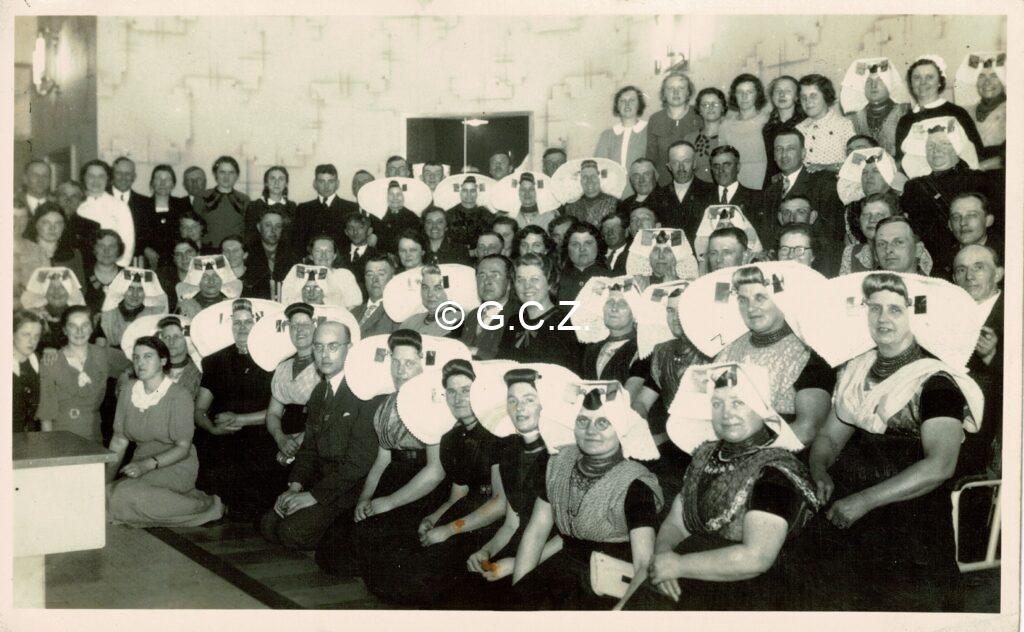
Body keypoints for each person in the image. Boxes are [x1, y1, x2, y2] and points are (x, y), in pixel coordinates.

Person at [807, 272, 982, 611]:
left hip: (910, 517)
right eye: (875, 308)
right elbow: (829, 436)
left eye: (895, 309)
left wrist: (863, 502)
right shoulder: (857, 369)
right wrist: (819, 468)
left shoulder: (936, 382)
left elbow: (940, 465)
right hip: (852, 503)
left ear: (915, 315)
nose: (882, 318)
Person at [625, 363, 819, 610]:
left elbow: (756, 558)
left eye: (738, 402)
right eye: (717, 404)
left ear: (762, 408)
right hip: (691, 574)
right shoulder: (705, 455)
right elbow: (676, 523)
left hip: (750, 594)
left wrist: (679, 565)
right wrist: (664, 555)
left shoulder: (776, 471)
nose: (726, 414)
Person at [512, 382, 663, 610]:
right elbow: (537, 530)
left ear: (621, 427)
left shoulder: (635, 484)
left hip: (607, 582)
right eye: (583, 421)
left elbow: (644, 564)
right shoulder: (557, 463)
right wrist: (519, 590)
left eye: (603, 423)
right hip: (561, 568)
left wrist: (621, 612)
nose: (591, 431)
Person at [383, 360, 505, 607]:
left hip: (492, 521)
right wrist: (433, 518)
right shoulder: (452, 438)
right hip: (465, 512)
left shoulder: (498, 433)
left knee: (422, 581)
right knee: (398, 565)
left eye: (466, 390)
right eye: (451, 391)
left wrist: (448, 529)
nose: (458, 399)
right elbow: (457, 495)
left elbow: (500, 503)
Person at [262, 320, 378, 551]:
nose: (324, 354)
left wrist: (313, 496)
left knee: (290, 532)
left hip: (348, 488)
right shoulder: (319, 392)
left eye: (333, 346)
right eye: (319, 346)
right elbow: (309, 449)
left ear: (349, 349)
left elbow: (359, 463)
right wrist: (295, 487)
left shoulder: (364, 392)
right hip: (320, 480)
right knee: (268, 525)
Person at [347, 330, 450, 585]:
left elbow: (436, 471)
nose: (401, 371)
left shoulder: (435, 403)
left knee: (383, 553)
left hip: (421, 485)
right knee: (336, 548)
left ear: (423, 362)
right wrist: (365, 498)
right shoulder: (386, 405)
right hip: (392, 477)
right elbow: (382, 461)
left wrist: (389, 502)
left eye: (409, 363)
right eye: (396, 362)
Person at [105, 336, 224, 527]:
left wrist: (147, 465)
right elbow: (119, 441)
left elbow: (183, 448)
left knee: (123, 497)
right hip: (139, 462)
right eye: (136, 357)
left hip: (176, 465)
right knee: (105, 496)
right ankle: (172, 501)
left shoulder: (179, 395)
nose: (140, 363)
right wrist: (105, 482)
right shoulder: (127, 390)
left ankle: (207, 506)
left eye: (147, 356)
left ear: (163, 361)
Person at [712, 264, 835, 445]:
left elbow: (807, 429)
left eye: (760, 298)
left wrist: (752, 455)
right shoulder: (728, 349)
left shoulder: (809, 354)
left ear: (782, 299)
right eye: (743, 300)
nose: (751, 308)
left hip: (780, 453)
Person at [194, 299, 280, 521]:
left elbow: (278, 412)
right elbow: (200, 409)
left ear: (257, 325)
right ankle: (217, 505)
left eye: (248, 322)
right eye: (237, 323)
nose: (242, 328)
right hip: (221, 434)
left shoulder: (274, 360)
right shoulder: (215, 361)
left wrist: (240, 419)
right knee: (209, 446)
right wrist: (211, 427)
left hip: (259, 431)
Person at [899, 118, 998, 277]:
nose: (936, 150)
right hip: (934, 266)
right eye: (930, 146)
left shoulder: (980, 181)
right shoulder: (914, 188)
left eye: (944, 144)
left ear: (957, 146)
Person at [38, 305, 131, 444]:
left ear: (92, 328)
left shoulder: (103, 354)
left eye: (85, 325)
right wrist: (50, 449)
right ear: (64, 330)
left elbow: (136, 364)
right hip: (60, 438)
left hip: (93, 436)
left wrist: (125, 376)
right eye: (72, 326)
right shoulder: (50, 361)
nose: (79, 331)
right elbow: (46, 415)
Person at [954, 245, 1003, 474]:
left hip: (992, 435)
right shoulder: (946, 314)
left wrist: (993, 357)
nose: (969, 277)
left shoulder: (1015, 311)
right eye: (961, 270)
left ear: (998, 274)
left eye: (979, 268)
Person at [760, 129, 844, 252]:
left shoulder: (823, 184)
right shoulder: (771, 191)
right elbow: (766, 235)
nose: (784, 155)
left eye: (790, 149)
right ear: (773, 155)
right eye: (779, 149)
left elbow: (832, 234)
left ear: (803, 153)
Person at [496, 253, 580, 372]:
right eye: (520, 280)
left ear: (550, 283)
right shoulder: (514, 321)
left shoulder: (563, 324)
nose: (527, 286)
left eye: (534, 279)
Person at [261, 303, 322, 468]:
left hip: (313, 441)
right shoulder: (283, 367)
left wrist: (295, 444)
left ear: (315, 326)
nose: (299, 330)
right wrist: (280, 438)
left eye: (305, 324)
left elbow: (324, 417)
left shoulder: (324, 366)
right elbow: (273, 413)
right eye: (294, 326)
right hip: (282, 438)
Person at [895, 56, 984, 163]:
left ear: (939, 82)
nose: (923, 82)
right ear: (911, 83)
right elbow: (901, 160)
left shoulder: (957, 113)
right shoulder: (905, 120)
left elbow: (977, 154)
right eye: (917, 77)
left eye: (929, 77)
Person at [841, 58, 911, 157]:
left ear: (889, 84)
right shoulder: (854, 118)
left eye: (879, 81)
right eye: (868, 82)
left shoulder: (904, 112)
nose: (873, 86)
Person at [575, 278, 641, 384]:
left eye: (622, 303)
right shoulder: (591, 349)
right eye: (610, 302)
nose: (614, 308)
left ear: (635, 313)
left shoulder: (641, 351)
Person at [646, 72, 703, 186]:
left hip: (697, 183)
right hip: (664, 185)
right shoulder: (655, 119)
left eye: (681, 88)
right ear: (664, 93)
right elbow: (651, 158)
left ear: (688, 92)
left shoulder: (699, 116)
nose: (676, 92)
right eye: (670, 88)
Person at [76, 159, 136, 267]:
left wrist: (118, 269)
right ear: (84, 178)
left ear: (108, 178)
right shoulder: (77, 205)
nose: (96, 181)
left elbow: (128, 243)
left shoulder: (119, 206)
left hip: (109, 267)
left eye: (101, 176)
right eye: (91, 176)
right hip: (81, 265)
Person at [18, 203, 87, 295]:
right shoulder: (23, 252)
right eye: (46, 222)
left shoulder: (74, 255)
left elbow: (80, 291)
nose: (52, 228)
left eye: (58, 223)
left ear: (64, 226)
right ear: (35, 224)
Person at [653, 141, 716, 241]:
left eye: (686, 161)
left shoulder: (712, 192)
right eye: (675, 162)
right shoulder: (658, 196)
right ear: (669, 166)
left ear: (694, 164)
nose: (681, 167)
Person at [460, 254, 515, 360]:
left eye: (495, 275)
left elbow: (512, 360)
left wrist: (476, 352)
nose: (487, 281)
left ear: (509, 283)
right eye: (482, 275)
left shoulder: (517, 316)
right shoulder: (473, 315)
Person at [795, 74, 856, 172]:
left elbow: (856, 162)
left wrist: (828, 167)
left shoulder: (844, 125)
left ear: (826, 96)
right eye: (803, 97)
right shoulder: (799, 128)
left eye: (813, 96)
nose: (808, 101)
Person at [956, 52, 1006, 169]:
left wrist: (980, 167)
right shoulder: (966, 112)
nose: (987, 82)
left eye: (994, 76)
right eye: (981, 76)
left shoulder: (1015, 110)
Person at [720, 75, 770, 190]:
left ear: (757, 95)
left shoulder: (767, 120)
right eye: (740, 92)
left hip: (763, 180)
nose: (744, 96)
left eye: (749, 92)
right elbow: (723, 160)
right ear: (734, 95)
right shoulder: (725, 125)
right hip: (735, 181)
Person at [136, 165, 190, 268]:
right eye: (158, 178)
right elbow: (135, 234)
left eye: (167, 179)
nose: (162, 183)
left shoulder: (182, 205)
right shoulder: (141, 206)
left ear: (173, 184)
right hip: (148, 261)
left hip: (178, 261)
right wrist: (145, 249)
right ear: (152, 183)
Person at [293, 164, 354, 255]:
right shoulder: (303, 209)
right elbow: (298, 241)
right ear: (315, 184)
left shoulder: (350, 208)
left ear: (337, 184)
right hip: (311, 260)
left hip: (341, 260)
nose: (326, 186)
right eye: (322, 181)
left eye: (331, 181)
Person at [99, 268, 169, 347]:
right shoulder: (109, 315)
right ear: (122, 289)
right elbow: (100, 347)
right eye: (130, 288)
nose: (135, 294)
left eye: (140, 289)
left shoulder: (153, 316)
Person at [762, 76, 806, 187]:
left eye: (788, 91)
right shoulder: (768, 128)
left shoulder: (806, 124)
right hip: (773, 183)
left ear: (797, 97)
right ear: (772, 96)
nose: (782, 94)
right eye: (778, 91)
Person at [595, 85, 649, 175]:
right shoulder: (607, 135)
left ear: (639, 104)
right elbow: (600, 166)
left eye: (632, 100)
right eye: (622, 101)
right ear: (617, 106)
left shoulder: (649, 131)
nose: (627, 104)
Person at [200, 156, 250, 248]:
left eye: (231, 172)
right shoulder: (202, 197)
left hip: (235, 250)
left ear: (237, 176)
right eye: (222, 172)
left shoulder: (244, 199)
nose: (226, 177)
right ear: (215, 174)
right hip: (209, 249)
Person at [246, 208, 301, 291]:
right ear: (259, 227)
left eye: (278, 226)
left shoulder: (292, 255)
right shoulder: (247, 252)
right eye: (268, 225)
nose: (273, 230)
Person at [243, 165, 298, 247]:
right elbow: (249, 236)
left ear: (286, 184)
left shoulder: (292, 207)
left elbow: (295, 236)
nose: (276, 182)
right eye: (272, 178)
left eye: (281, 179)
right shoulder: (254, 206)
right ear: (266, 183)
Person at [176, 254, 243, 318]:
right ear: (197, 281)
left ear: (223, 279)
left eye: (216, 276)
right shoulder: (186, 306)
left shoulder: (232, 304)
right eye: (205, 277)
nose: (211, 281)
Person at [557, 222, 609, 303]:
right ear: (567, 248)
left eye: (588, 243)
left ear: (598, 245)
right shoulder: (556, 281)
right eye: (575, 244)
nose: (582, 249)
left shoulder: (612, 279)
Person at [683, 88, 726, 184]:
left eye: (715, 104)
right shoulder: (689, 139)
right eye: (705, 104)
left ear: (723, 108)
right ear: (699, 110)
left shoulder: (731, 136)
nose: (710, 107)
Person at [443, 175, 494, 253]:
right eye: (465, 190)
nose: (468, 194)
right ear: (460, 192)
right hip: (455, 254)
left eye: (472, 191)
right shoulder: (449, 214)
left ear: (477, 193)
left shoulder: (486, 215)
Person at [352, 254, 399, 338]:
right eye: (370, 274)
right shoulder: (353, 313)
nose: (375, 279)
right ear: (364, 278)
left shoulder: (397, 314)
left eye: (381, 274)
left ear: (393, 278)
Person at [947, 192, 1002, 264]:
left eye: (971, 215)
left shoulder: (1007, 256)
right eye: (956, 217)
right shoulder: (942, 260)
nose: (962, 223)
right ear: (950, 225)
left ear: (988, 220)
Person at [81, 230, 126, 316]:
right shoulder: (82, 274)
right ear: (94, 249)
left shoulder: (128, 275)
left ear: (119, 250)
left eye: (112, 246)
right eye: (101, 246)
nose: (106, 251)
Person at [562, 160, 619, 227]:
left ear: (599, 179)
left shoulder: (614, 203)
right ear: (580, 181)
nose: (589, 180)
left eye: (593, 176)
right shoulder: (571, 207)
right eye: (585, 177)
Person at [13, 310, 44, 433]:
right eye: (26, 335)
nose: (32, 341)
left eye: (36, 336)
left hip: (31, 436)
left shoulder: (39, 361)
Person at [710, 145, 762, 214]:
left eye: (726, 165)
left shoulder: (757, 198)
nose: (720, 170)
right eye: (716, 166)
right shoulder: (703, 198)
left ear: (738, 167)